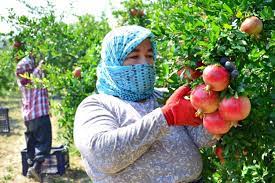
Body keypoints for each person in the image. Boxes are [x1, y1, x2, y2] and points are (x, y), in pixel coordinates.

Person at [74, 25, 216, 183]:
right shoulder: (96, 105)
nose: (144, 64)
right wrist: (165, 117)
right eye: (134, 57)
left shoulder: (164, 96)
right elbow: (103, 156)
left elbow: (202, 140)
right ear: (113, 60)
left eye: (149, 56)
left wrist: (214, 98)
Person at [16, 52, 52, 181]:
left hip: (28, 118)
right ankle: (36, 168)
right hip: (40, 115)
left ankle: (31, 168)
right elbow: (40, 67)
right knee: (43, 143)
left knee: (32, 143)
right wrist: (39, 57)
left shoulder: (22, 82)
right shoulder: (36, 76)